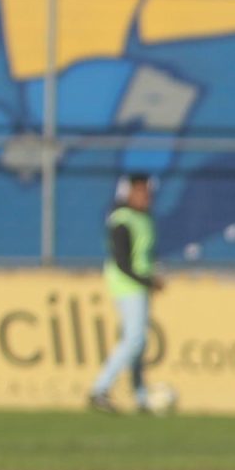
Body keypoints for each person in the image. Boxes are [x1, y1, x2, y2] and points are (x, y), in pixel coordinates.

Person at [87, 172, 161, 413]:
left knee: (138, 343)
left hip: (139, 285)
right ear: (128, 193)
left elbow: (144, 255)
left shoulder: (145, 219)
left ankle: (140, 397)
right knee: (134, 339)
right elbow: (122, 261)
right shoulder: (122, 220)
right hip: (126, 285)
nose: (145, 196)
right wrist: (146, 280)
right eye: (140, 191)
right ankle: (100, 388)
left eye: (147, 191)